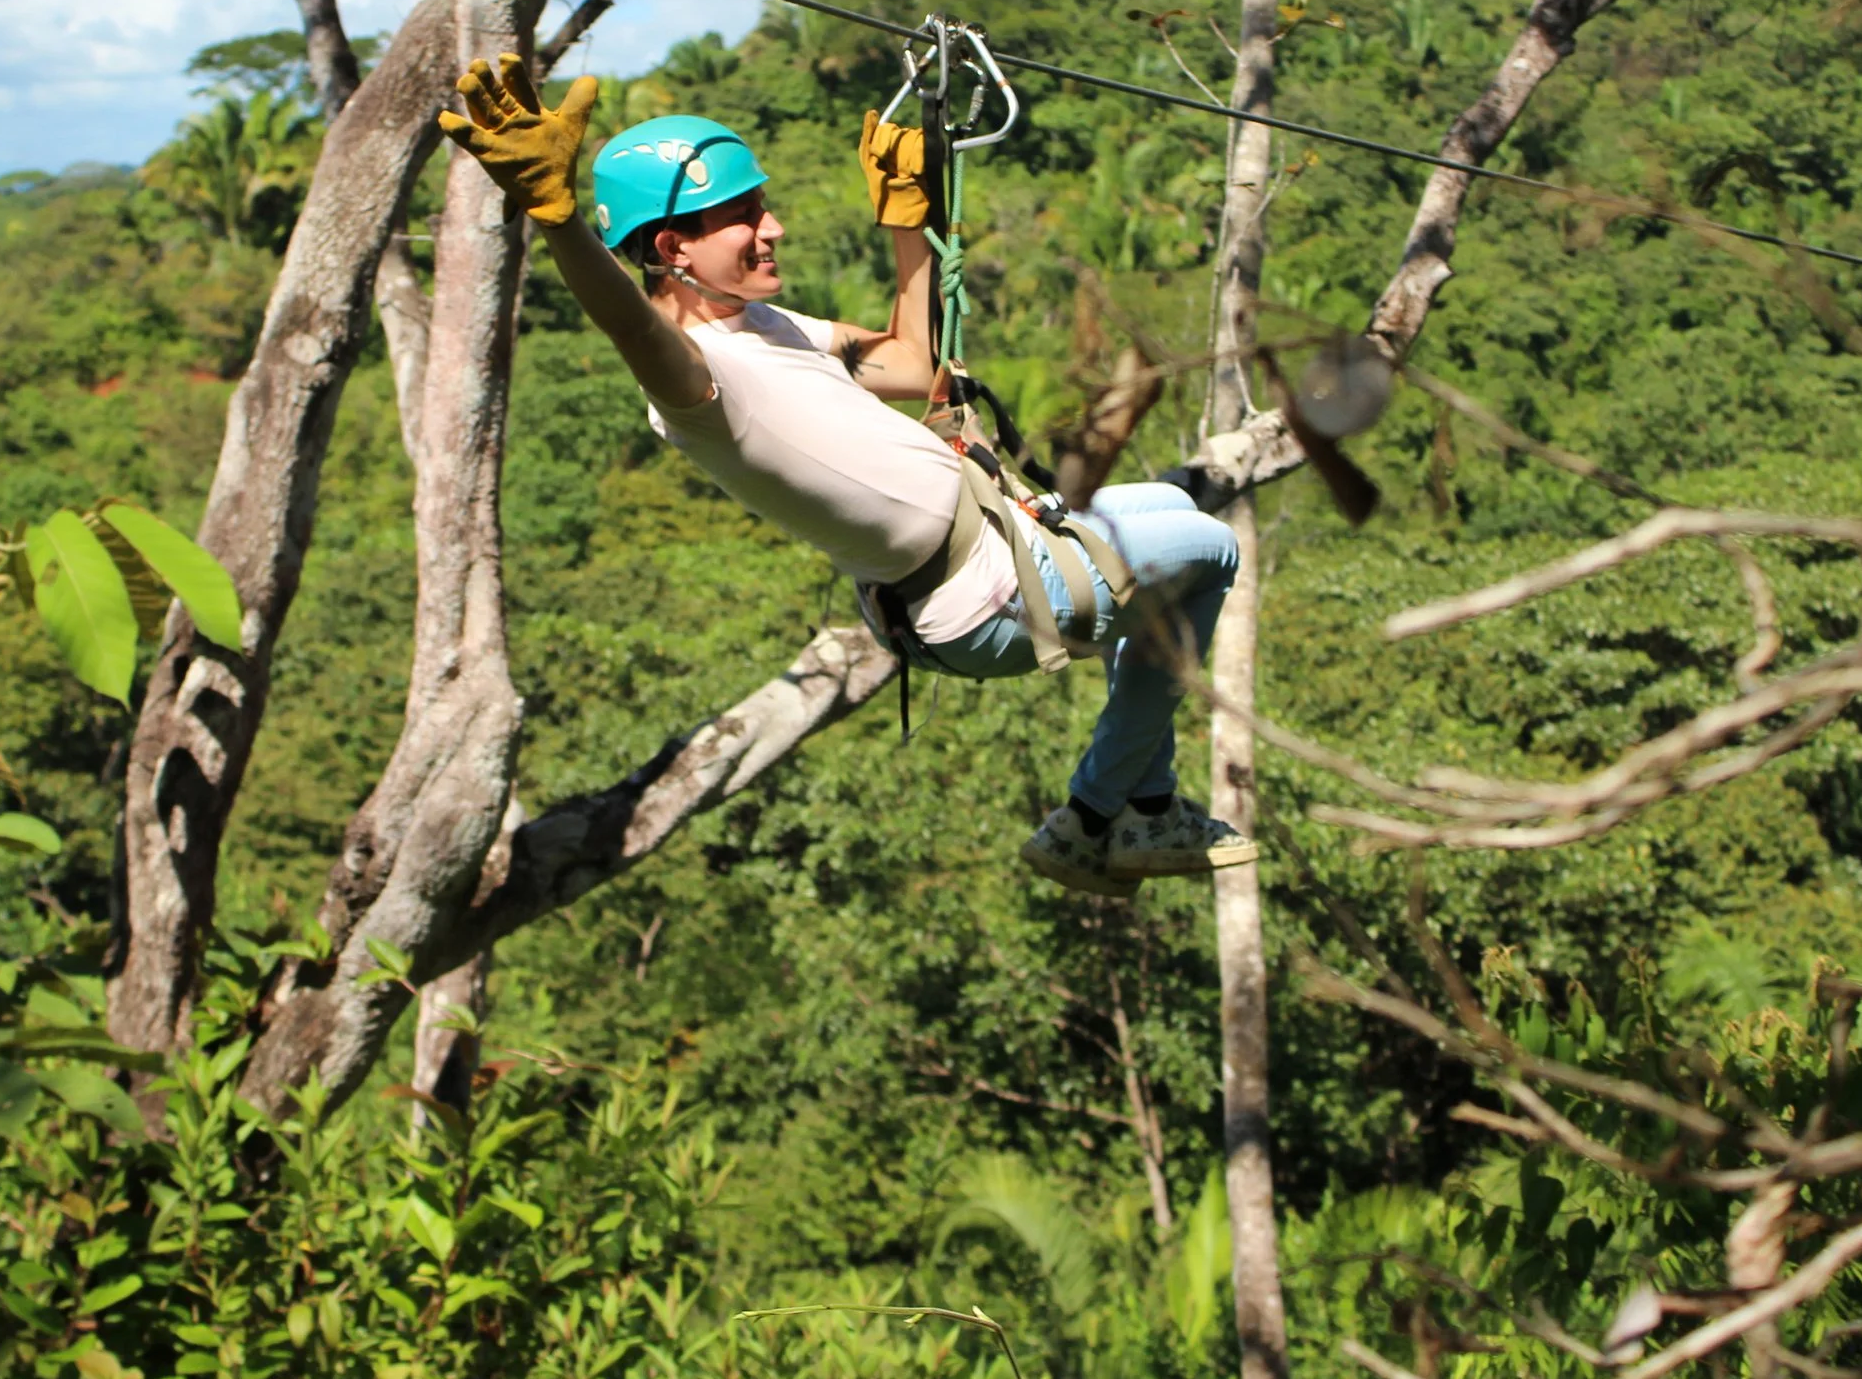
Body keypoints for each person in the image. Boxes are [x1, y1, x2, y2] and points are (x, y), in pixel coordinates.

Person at [438, 54, 1255, 899]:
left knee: (1165, 506)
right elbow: (631, 326)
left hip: (997, 549)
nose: (774, 227)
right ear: (673, 248)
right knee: (1211, 547)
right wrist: (561, 223)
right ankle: (1097, 815)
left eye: (764, 207)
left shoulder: (765, 324)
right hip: (988, 594)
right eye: (744, 216)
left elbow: (912, 361)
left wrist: (909, 218)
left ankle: (1143, 803)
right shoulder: (694, 378)